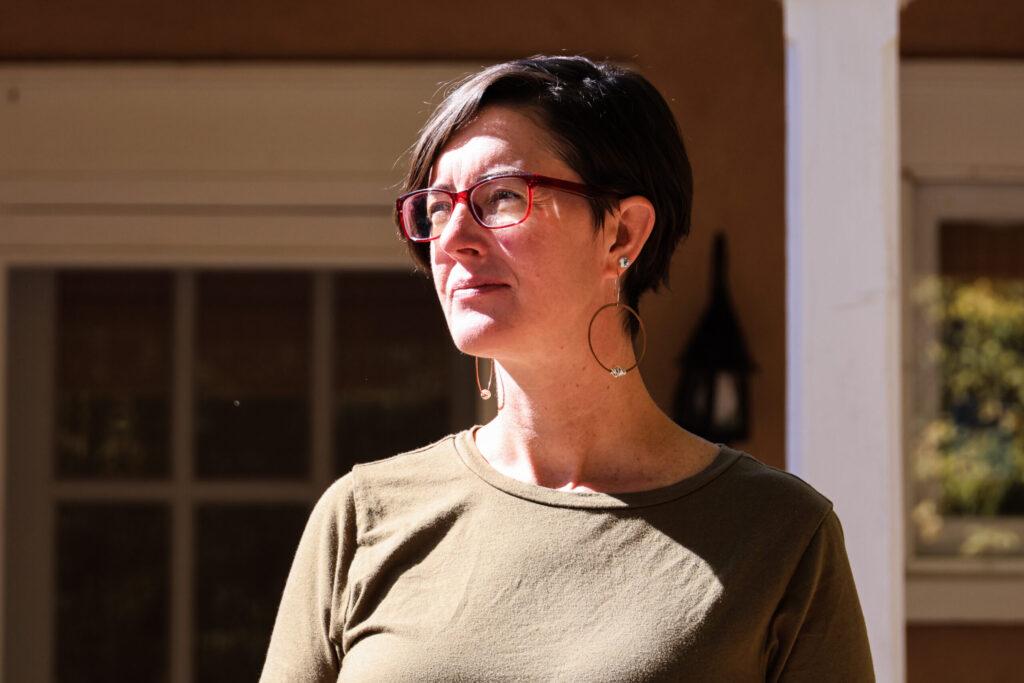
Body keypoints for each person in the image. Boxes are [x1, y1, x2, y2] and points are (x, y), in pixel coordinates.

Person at [261, 55, 874, 682]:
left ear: (622, 234)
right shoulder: (363, 518)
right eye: (437, 207)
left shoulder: (781, 536)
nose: (452, 239)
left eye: (501, 197)